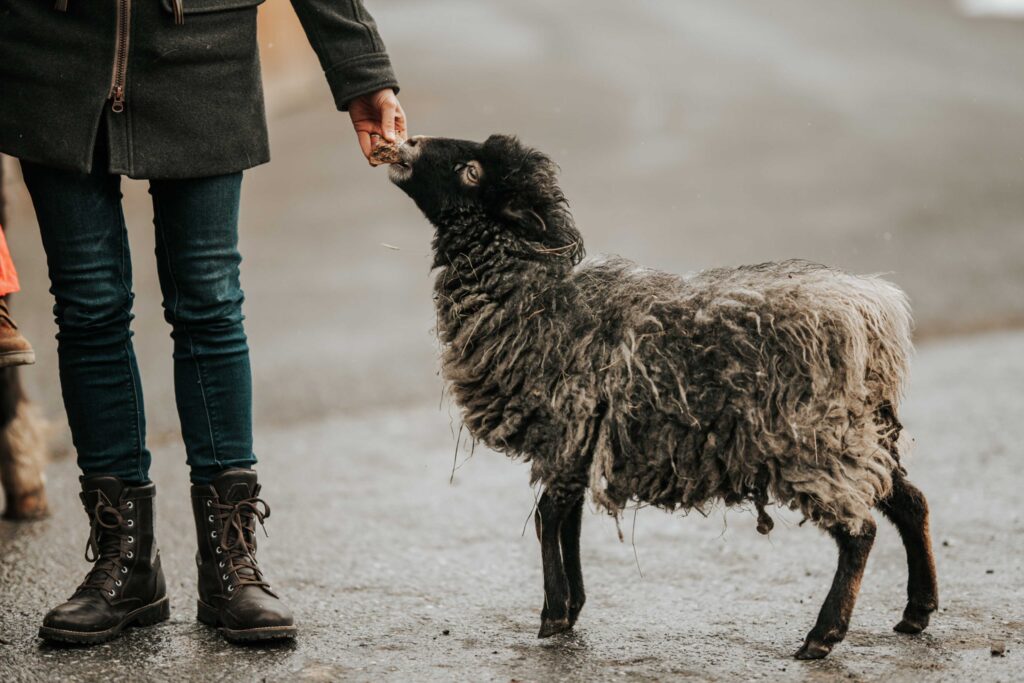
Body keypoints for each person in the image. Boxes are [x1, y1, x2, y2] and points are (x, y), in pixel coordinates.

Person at [0, 0, 406, 644]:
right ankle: (124, 564)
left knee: (209, 301)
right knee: (88, 305)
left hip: (203, 51)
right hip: (54, 49)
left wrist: (362, 70)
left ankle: (230, 566)